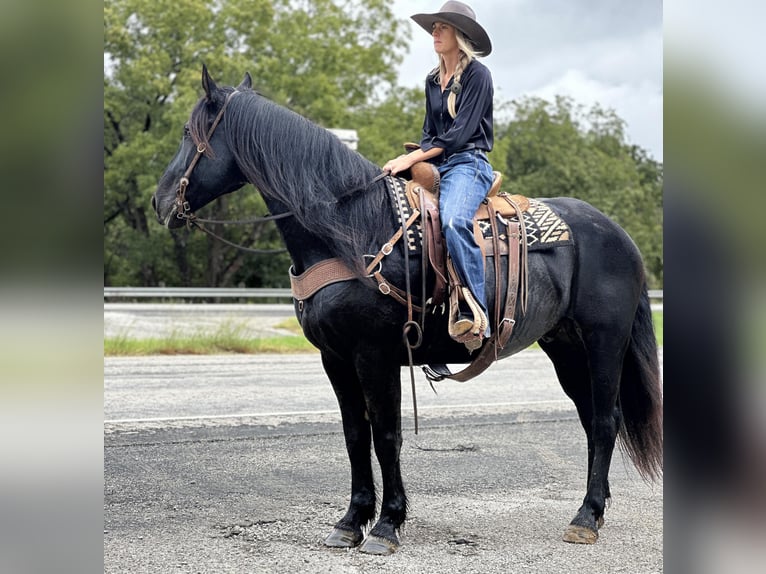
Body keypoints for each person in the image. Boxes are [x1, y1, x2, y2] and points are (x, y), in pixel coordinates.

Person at [383, 1, 494, 340]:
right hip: (438, 162)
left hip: (469, 164)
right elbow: (429, 132)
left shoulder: (478, 75)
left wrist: (409, 160)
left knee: (453, 221)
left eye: (441, 26)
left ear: (458, 35)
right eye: (433, 27)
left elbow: (459, 134)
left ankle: (477, 313)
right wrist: (416, 158)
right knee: (394, 213)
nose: (434, 32)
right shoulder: (433, 80)